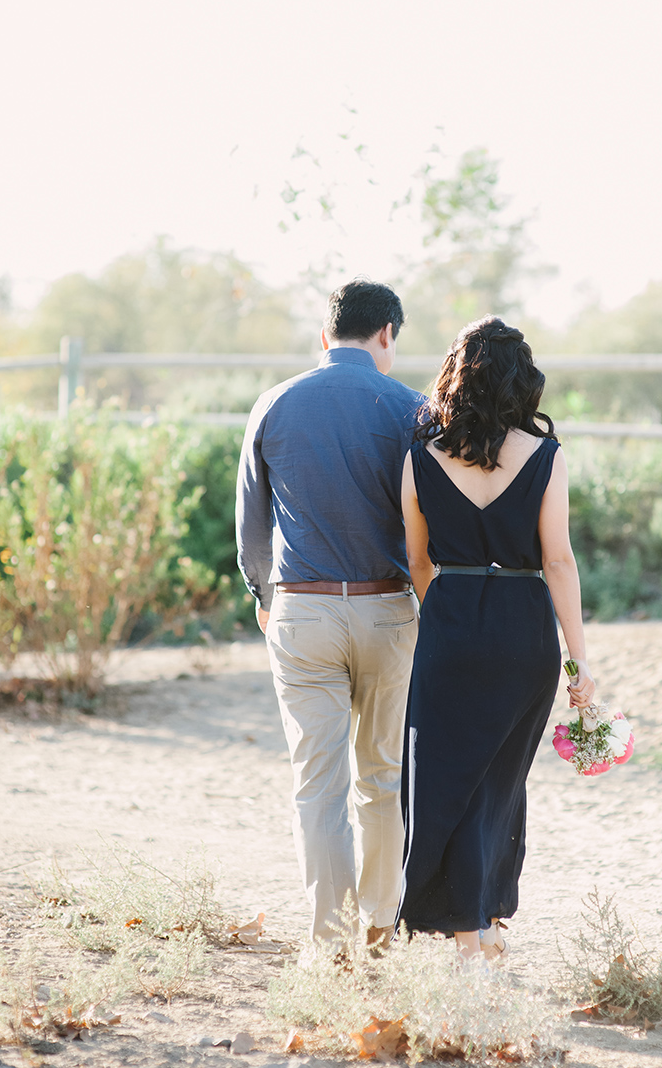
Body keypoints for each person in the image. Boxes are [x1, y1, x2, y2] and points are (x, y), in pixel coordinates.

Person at [396, 315, 595, 962]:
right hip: (523, 629)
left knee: (446, 778)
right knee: (499, 782)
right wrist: (578, 657)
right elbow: (559, 561)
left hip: (450, 624)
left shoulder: (419, 460)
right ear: (521, 383)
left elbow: (418, 562)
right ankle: (477, 925)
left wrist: (453, 614)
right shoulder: (546, 457)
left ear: (455, 380)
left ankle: (468, 926)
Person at [236, 279, 424, 949]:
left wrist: (266, 598)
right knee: (382, 775)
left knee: (318, 785)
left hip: (302, 609)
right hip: (387, 609)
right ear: (386, 336)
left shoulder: (274, 403)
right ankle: (377, 920)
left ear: (325, 336)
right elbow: (429, 522)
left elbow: (251, 527)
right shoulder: (412, 408)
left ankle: (330, 942)